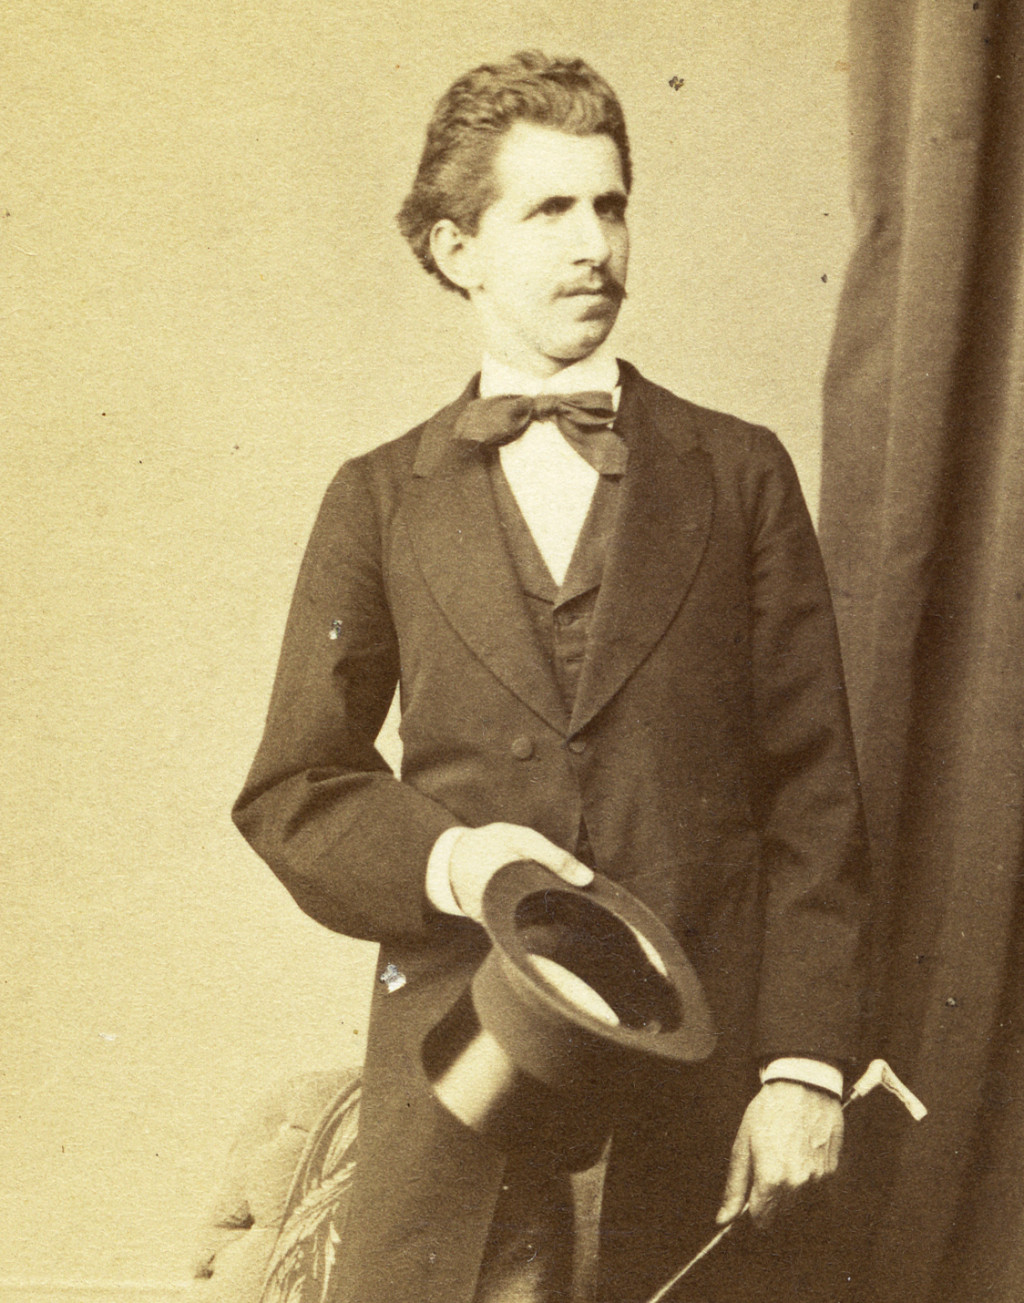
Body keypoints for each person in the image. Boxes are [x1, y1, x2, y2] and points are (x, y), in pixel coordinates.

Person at [233, 50, 869, 1303]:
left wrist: (803, 1067)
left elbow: (815, 797)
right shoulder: (376, 498)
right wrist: (456, 861)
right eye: (549, 210)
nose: (594, 245)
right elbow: (294, 788)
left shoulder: (739, 474)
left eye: (610, 205)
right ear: (456, 248)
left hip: (700, 1099)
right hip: (462, 1085)